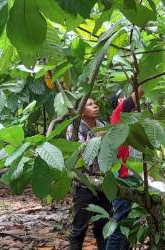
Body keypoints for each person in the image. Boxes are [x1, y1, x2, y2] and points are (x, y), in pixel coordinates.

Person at [66, 98, 112, 250]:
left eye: (95, 103)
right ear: (81, 110)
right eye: (90, 104)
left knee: (103, 226)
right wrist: (102, 138)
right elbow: (83, 153)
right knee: (79, 228)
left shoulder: (103, 126)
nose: (95, 106)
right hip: (84, 184)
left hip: (104, 183)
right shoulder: (75, 128)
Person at [106, 86, 144, 250]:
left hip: (133, 177)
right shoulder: (118, 114)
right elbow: (139, 92)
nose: (126, 99)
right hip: (122, 178)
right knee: (121, 225)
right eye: (122, 97)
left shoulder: (132, 124)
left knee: (129, 225)